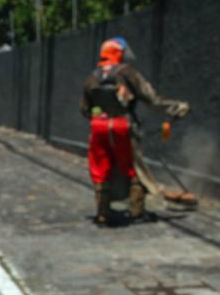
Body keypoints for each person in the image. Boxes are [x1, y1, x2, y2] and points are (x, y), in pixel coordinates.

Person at [80, 37, 189, 225]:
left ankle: (102, 213)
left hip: (99, 128)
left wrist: (100, 117)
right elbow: (152, 98)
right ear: (119, 53)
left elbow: (84, 109)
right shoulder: (127, 72)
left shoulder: (92, 77)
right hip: (123, 127)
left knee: (101, 169)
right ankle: (137, 211)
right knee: (134, 169)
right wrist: (178, 107)